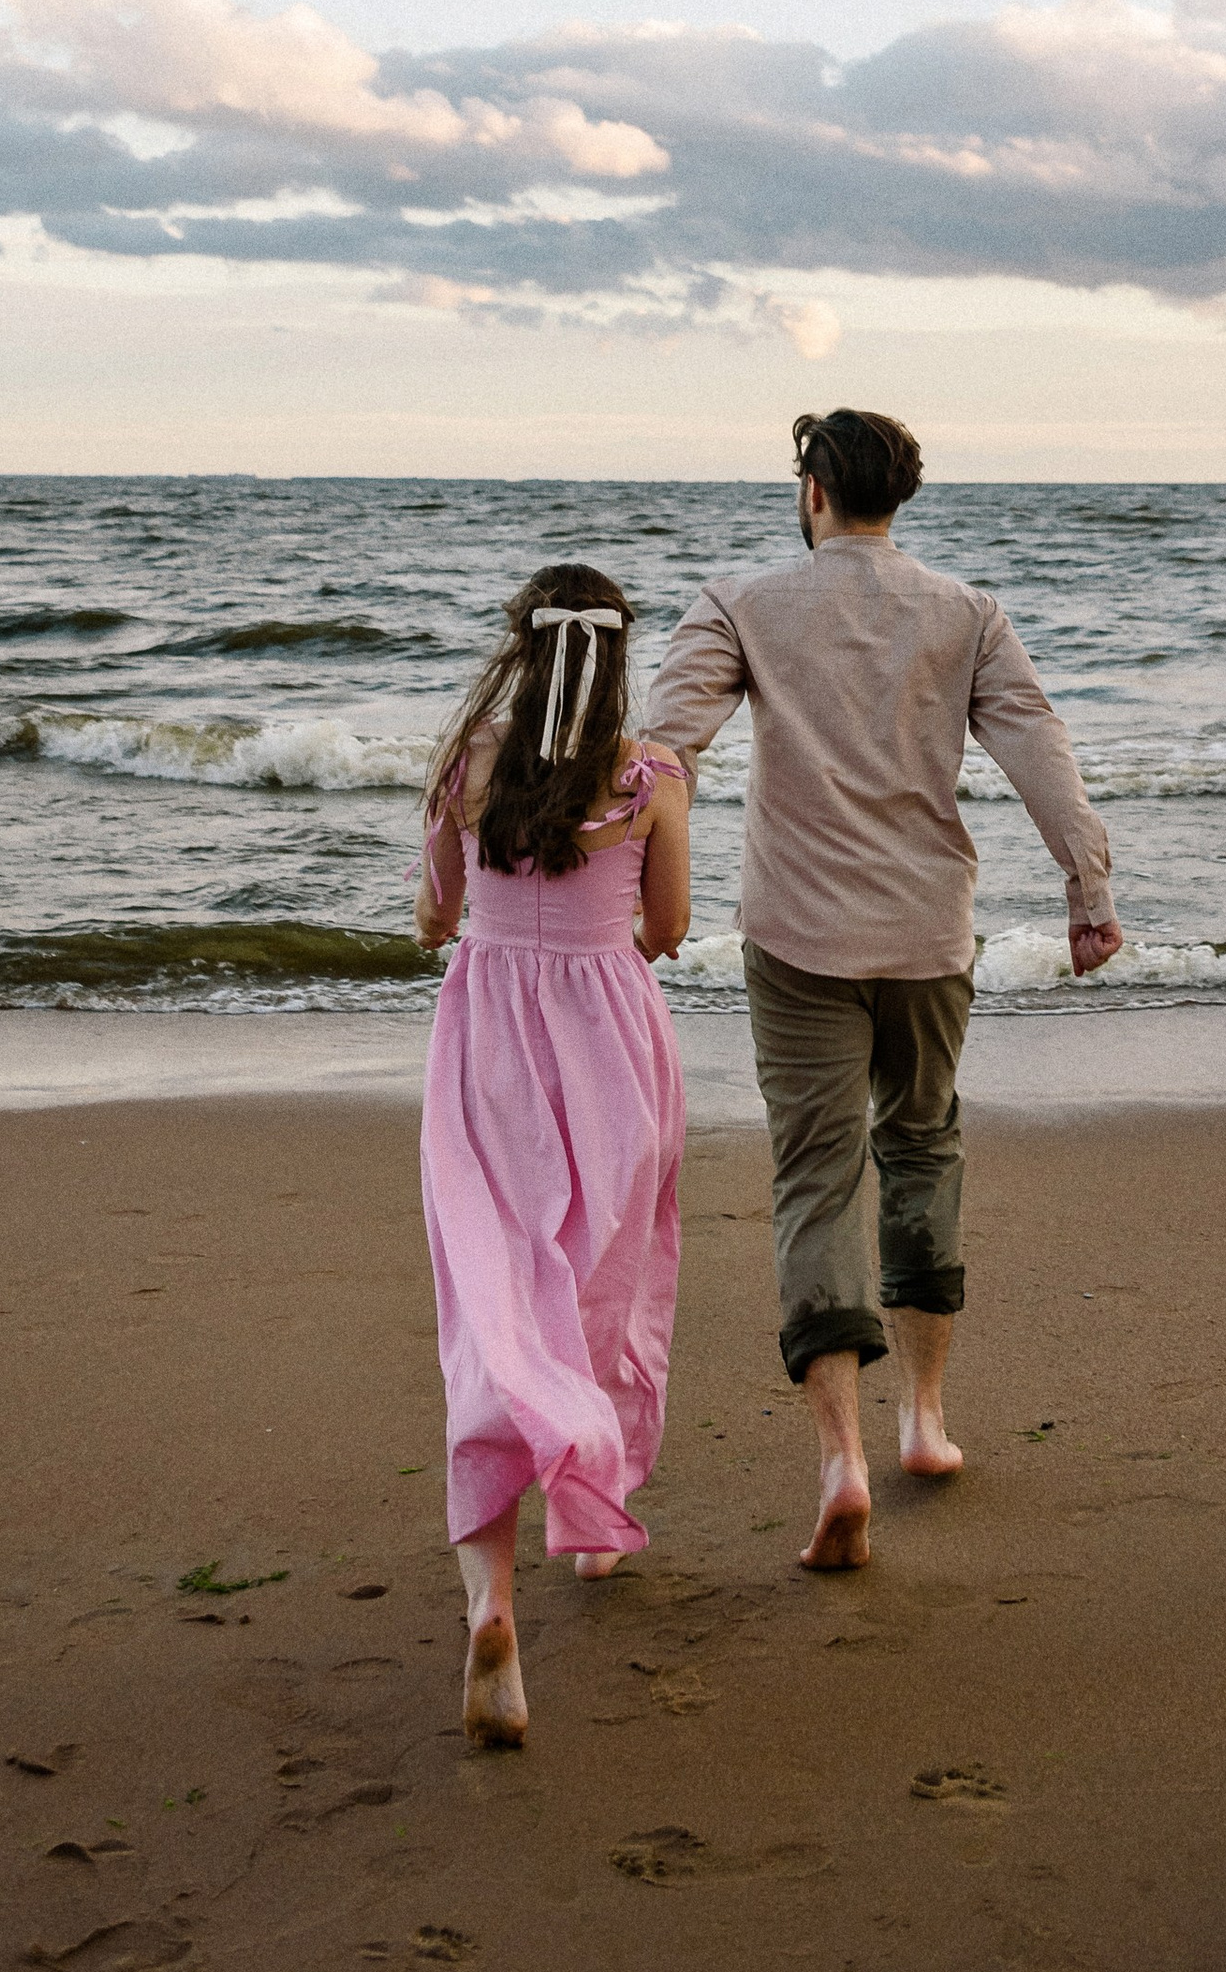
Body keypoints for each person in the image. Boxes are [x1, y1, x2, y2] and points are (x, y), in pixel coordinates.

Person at [644, 408, 1121, 1572]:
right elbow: (1037, 747)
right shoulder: (965, 612)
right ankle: (924, 1422)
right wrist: (1086, 886)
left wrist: (623, 889)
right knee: (922, 1146)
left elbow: (661, 748)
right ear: (896, 498)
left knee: (815, 1174)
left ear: (811, 489)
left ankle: (837, 1459)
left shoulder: (741, 600)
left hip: (797, 936)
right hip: (926, 936)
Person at [413, 561, 692, 1747]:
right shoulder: (647, 779)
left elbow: (433, 913)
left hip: (484, 1050)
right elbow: (667, 929)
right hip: (613, 1051)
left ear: (519, 649)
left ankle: (491, 1600)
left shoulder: (466, 762)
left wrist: (482, 911)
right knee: (602, 1286)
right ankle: (591, 1504)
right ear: (619, 656)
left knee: (489, 1301)